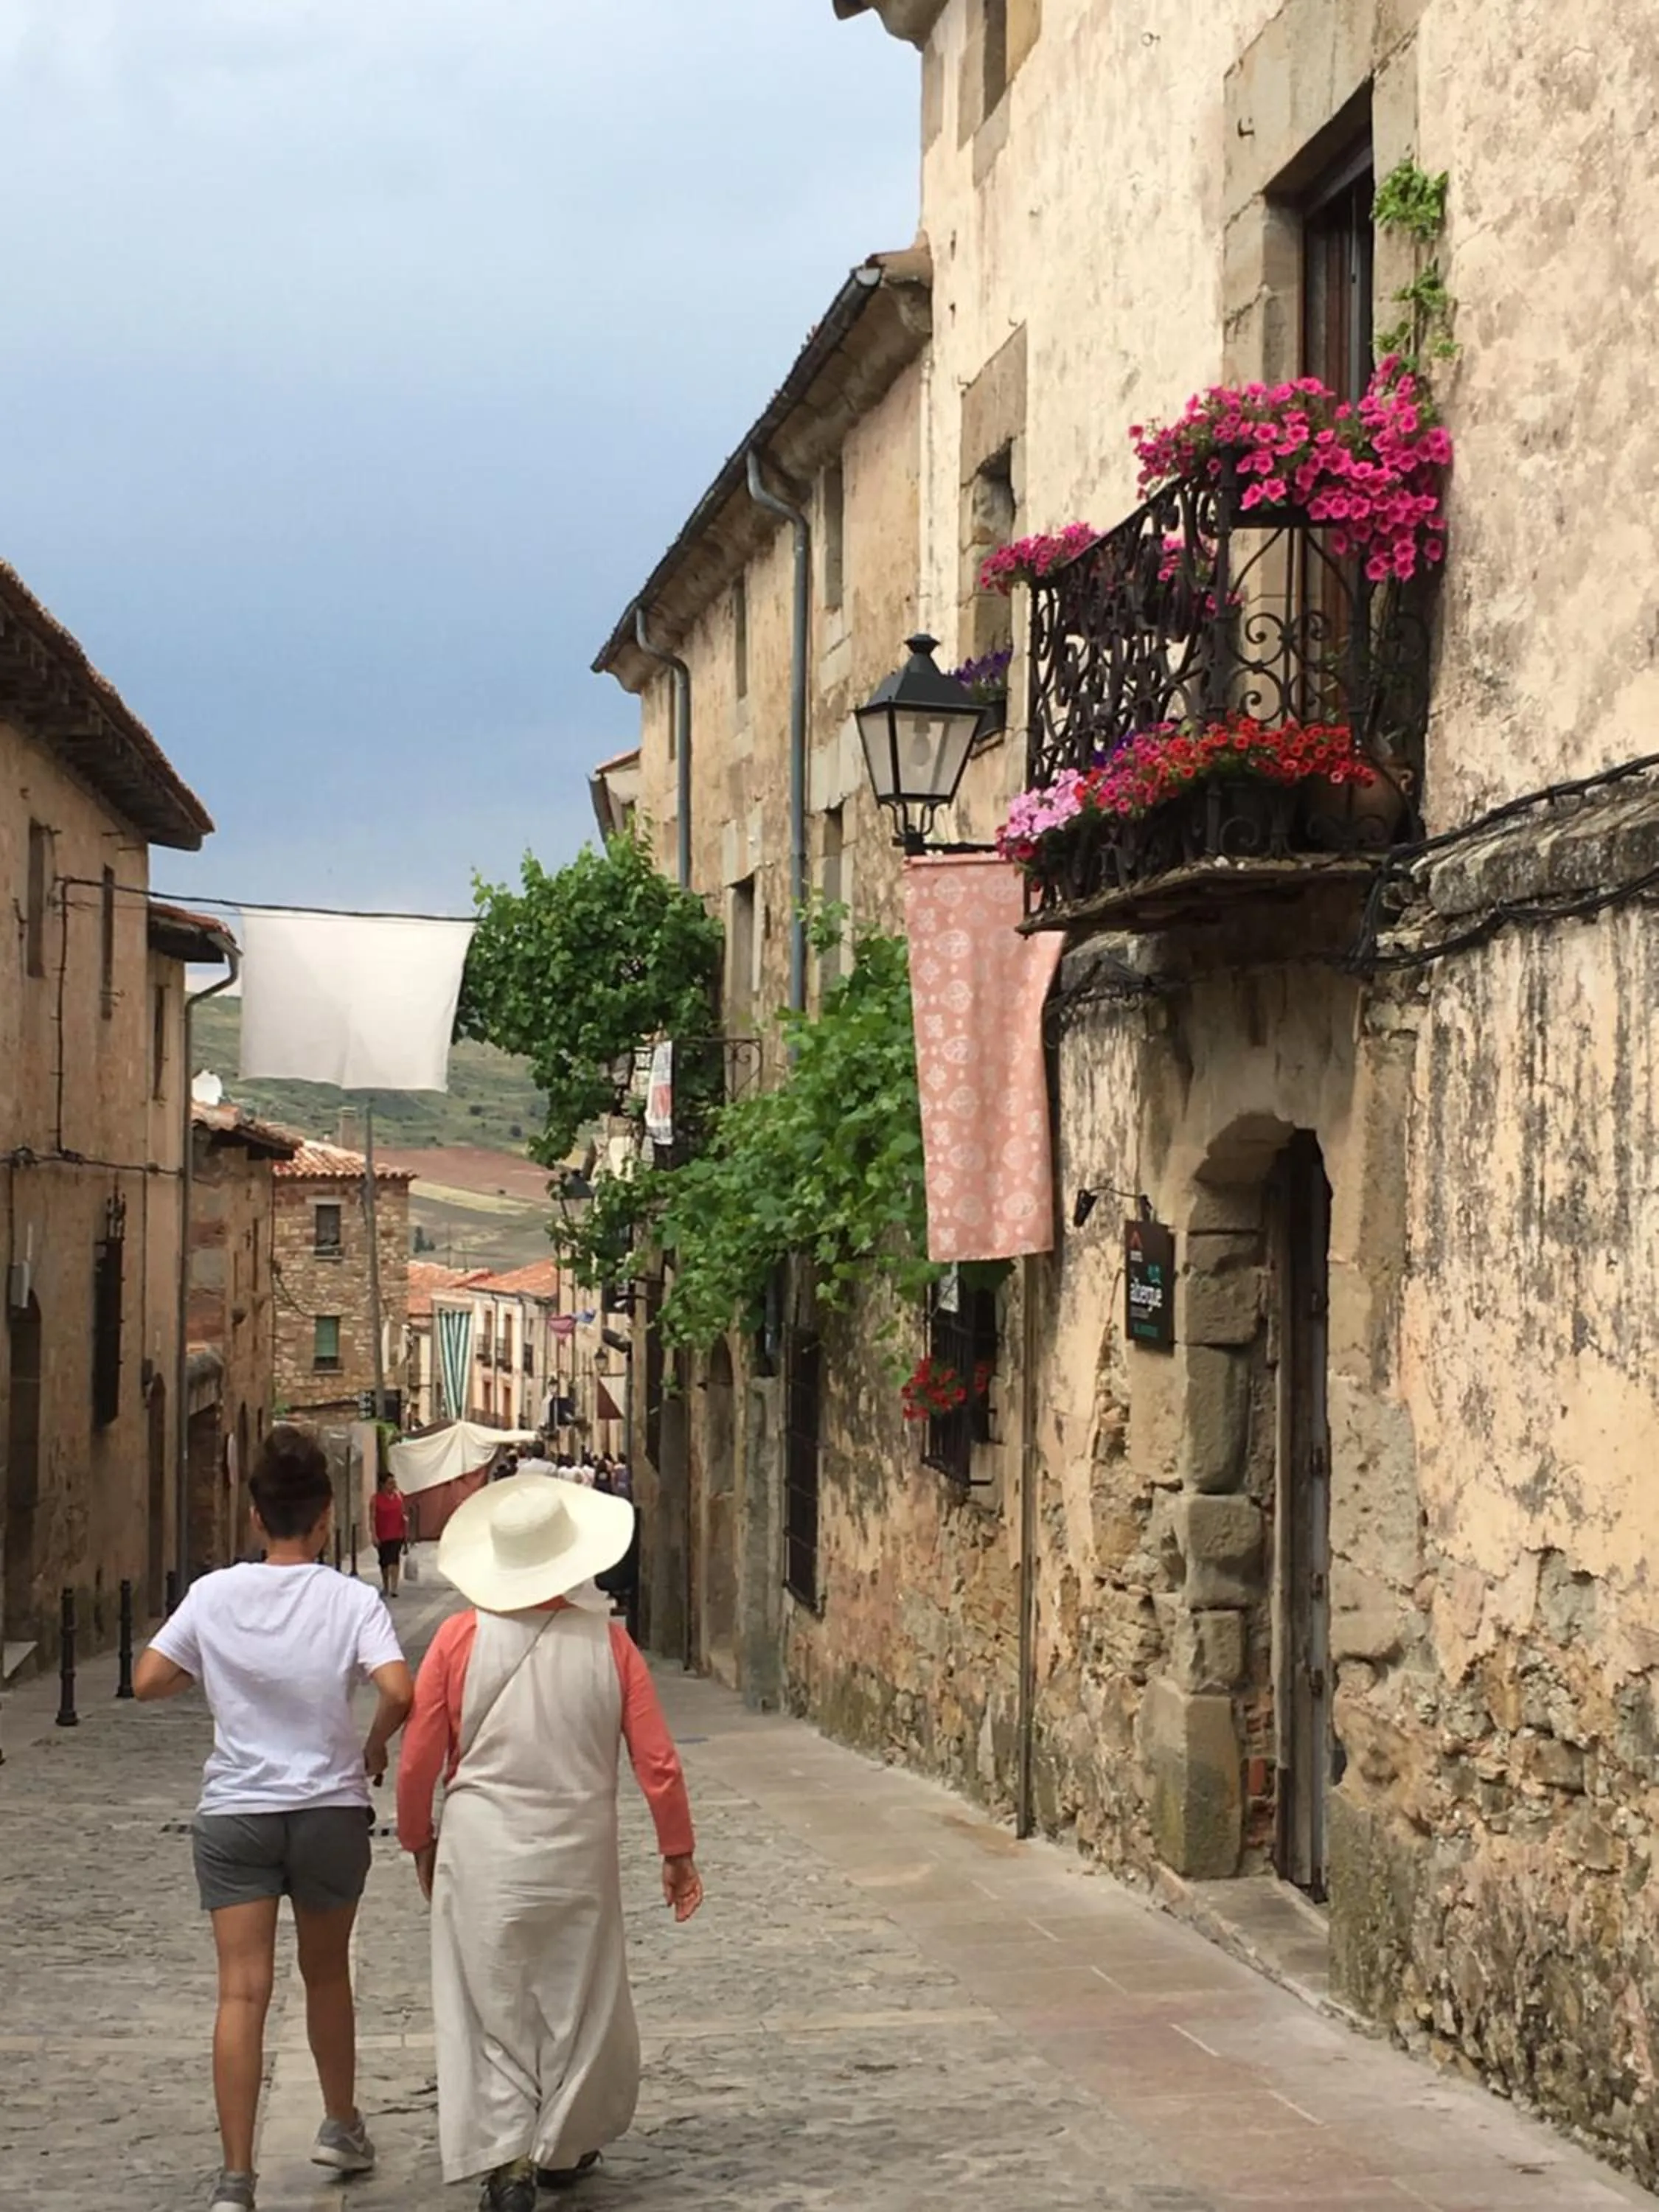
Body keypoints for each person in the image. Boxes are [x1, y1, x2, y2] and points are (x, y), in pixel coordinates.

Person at [397, 1473, 703, 2212]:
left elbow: (418, 1759)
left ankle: (508, 2158)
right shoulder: (611, 1645)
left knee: (489, 1998)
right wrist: (677, 1851)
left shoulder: (458, 1640)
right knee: (578, 1995)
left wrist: (419, 1839)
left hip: (482, 1847)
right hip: (578, 1849)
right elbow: (657, 1761)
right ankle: (563, 2142)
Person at [136, 1425, 415, 2212]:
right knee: (326, 1974)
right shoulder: (352, 1600)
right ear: (326, 1517)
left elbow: (149, 1677)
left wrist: (212, 1673)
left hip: (237, 1811)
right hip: (328, 1809)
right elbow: (399, 1689)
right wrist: (372, 1746)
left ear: (255, 1517)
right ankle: (340, 2124)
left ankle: (236, 2178)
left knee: (241, 1992)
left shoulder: (213, 1595)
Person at [371, 1469, 408, 1597]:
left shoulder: (399, 1497)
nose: (393, 1486)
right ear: (382, 1485)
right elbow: (372, 1518)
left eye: (394, 1483)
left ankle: (394, 1588)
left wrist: (405, 1525)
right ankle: (386, 1585)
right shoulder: (376, 1499)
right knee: (385, 1562)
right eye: (390, 1483)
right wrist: (374, 1535)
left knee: (395, 1560)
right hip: (382, 1534)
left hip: (397, 1533)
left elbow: (402, 1513)